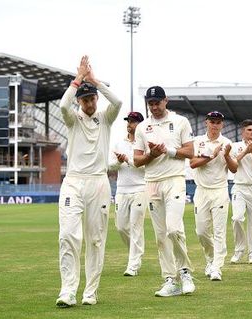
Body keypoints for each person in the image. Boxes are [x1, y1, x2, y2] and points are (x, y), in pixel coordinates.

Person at [56, 56, 122, 307]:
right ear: (79, 101)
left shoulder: (105, 118)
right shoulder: (73, 119)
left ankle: (90, 291)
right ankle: (67, 291)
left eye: (92, 98)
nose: (90, 103)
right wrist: (78, 80)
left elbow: (118, 101)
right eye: (85, 99)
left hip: (98, 182)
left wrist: (95, 81)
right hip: (73, 181)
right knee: (68, 236)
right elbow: (63, 107)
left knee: (96, 239)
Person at [133, 86, 195, 297]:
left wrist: (166, 150)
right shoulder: (143, 127)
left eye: (157, 102)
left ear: (165, 101)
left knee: (173, 229)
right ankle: (170, 279)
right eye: (151, 103)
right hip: (152, 182)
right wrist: (152, 154)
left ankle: (185, 272)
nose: (154, 107)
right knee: (161, 236)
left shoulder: (180, 122)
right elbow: (137, 160)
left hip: (174, 179)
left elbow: (190, 152)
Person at [189, 111, 234, 281]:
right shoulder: (197, 142)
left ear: (222, 125)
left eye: (218, 122)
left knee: (220, 231)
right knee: (201, 231)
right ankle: (210, 259)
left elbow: (234, 168)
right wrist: (212, 155)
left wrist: (227, 155)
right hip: (201, 191)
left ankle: (216, 267)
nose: (215, 125)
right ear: (206, 123)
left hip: (220, 190)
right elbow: (193, 163)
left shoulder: (227, 143)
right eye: (212, 122)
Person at [108, 111, 147, 277]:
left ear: (140, 125)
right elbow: (110, 167)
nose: (130, 124)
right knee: (121, 227)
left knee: (135, 227)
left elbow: (148, 167)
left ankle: (133, 264)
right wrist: (119, 160)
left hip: (140, 189)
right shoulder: (118, 143)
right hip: (122, 190)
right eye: (129, 121)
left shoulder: (145, 145)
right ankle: (136, 253)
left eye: (133, 121)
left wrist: (129, 160)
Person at [227, 119, 252, 264]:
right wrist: (246, 151)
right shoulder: (234, 146)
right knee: (237, 218)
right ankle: (238, 251)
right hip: (239, 186)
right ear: (242, 131)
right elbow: (233, 164)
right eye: (249, 130)